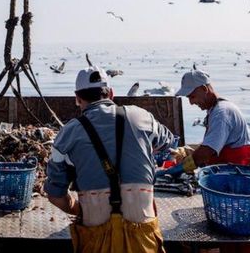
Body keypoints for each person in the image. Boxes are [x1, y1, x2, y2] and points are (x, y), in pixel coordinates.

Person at [45, 66, 174, 253]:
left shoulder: (67, 135)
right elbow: (168, 142)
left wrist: (76, 208)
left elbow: (55, 195)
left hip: (96, 239)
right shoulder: (141, 116)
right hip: (143, 236)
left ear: (77, 98)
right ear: (111, 93)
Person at [172, 69, 250, 253]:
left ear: (204, 89)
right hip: (233, 183)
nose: (191, 102)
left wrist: (177, 169)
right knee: (230, 232)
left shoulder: (222, 113)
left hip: (244, 182)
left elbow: (205, 153)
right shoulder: (215, 111)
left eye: (192, 96)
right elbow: (212, 146)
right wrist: (190, 152)